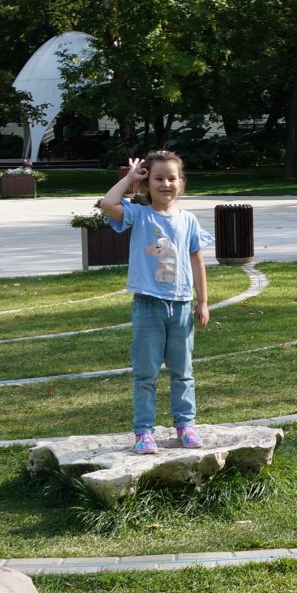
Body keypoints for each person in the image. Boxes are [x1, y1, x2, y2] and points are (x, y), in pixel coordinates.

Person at [98, 150, 212, 454]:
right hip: (148, 305)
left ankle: (185, 426)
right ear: (149, 184)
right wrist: (129, 179)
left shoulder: (188, 219)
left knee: (182, 371)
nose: (165, 184)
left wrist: (203, 301)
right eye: (158, 178)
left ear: (181, 182)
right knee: (145, 373)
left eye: (172, 178)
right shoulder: (139, 214)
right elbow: (108, 204)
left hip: (181, 306)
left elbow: (197, 260)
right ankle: (143, 431)